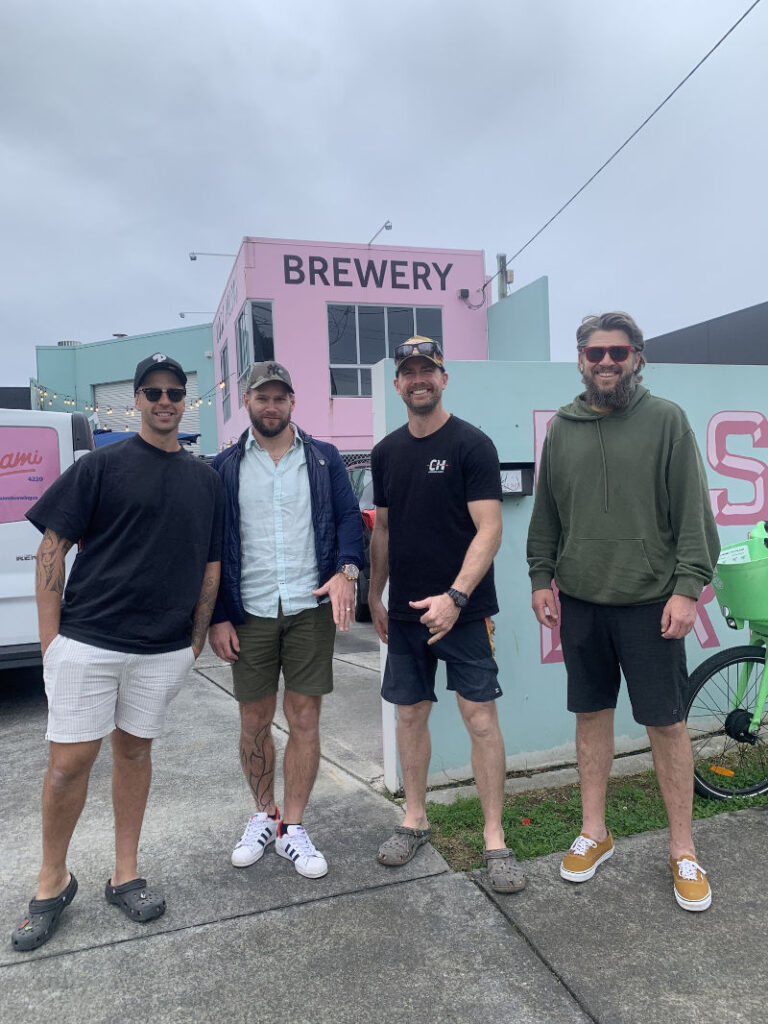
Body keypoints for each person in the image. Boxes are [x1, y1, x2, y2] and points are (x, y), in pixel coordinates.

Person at [12, 353, 224, 952]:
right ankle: (53, 880)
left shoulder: (205, 479)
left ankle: (124, 873)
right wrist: (51, 641)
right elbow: (53, 546)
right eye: (152, 391)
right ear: (135, 399)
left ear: (186, 401)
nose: (164, 401)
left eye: (175, 392)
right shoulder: (101, 466)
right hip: (88, 640)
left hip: (163, 650)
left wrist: (195, 639)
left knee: (134, 754)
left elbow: (210, 565)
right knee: (67, 765)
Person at [526, 311, 720, 912]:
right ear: (580, 360)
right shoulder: (562, 427)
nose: (606, 363)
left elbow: (694, 516)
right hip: (581, 602)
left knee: (666, 724)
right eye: (594, 353)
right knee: (591, 716)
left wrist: (688, 589)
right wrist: (541, 577)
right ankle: (595, 831)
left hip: (651, 604)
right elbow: (548, 515)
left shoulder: (666, 421)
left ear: (637, 357)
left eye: (618, 352)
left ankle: (683, 850)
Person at [368, 336, 525, 894]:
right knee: (410, 717)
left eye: (427, 371)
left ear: (443, 378)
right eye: (408, 372)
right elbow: (383, 529)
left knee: (480, 720)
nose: (418, 380)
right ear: (398, 385)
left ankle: (494, 840)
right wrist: (374, 594)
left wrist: (455, 598)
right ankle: (414, 821)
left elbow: (490, 529)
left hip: (464, 610)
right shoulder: (386, 452)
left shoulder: (471, 445)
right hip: (408, 614)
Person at [209, 361, 363, 880]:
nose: (270, 406)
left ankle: (292, 827)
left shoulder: (323, 459)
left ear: (293, 402)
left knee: (303, 719)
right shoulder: (225, 466)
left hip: (308, 607)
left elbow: (347, 519)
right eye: (261, 398)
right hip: (248, 611)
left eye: (279, 398)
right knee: (253, 721)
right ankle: (263, 815)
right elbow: (213, 547)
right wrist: (217, 616)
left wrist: (347, 571)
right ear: (247, 404)